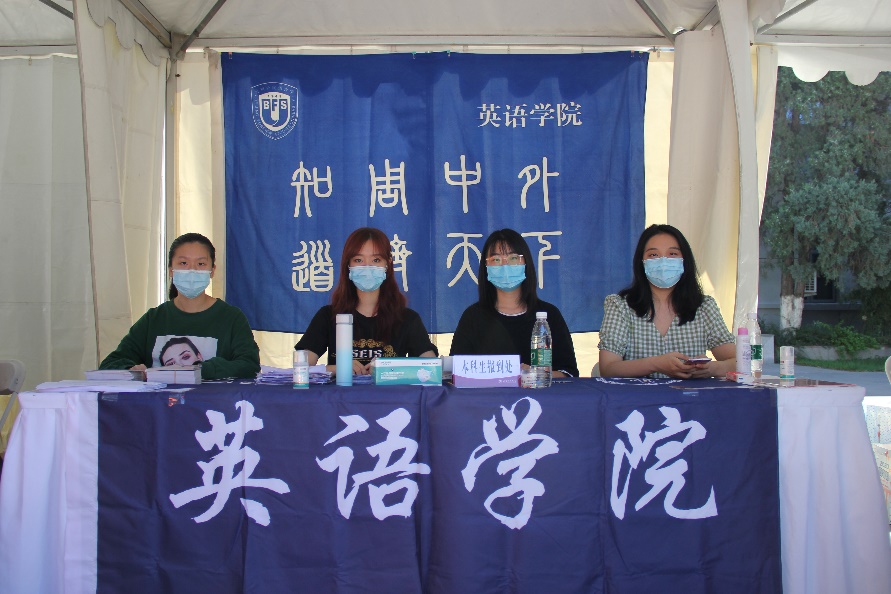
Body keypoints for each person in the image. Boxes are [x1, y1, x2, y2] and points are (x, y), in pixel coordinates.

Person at [99, 233, 261, 380]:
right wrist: (130, 370)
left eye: (201, 263)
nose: (192, 270)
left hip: (212, 402)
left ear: (212, 271)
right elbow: (110, 363)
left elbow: (249, 365)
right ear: (171, 270)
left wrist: (202, 370)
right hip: (160, 403)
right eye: (183, 263)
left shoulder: (231, 318)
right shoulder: (154, 319)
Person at [598, 224, 735, 379]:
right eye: (653, 255)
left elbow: (739, 362)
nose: (663, 261)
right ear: (641, 262)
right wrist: (656, 364)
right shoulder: (620, 305)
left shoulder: (704, 307)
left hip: (689, 395)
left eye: (672, 253)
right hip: (637, 395)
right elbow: (608, 369)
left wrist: (712, 369)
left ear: (684, 260)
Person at [295, 227, 437, 375]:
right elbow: (300, 370)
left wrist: (389, 368)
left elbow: (432, 368)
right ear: (348, 266)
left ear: (388, 265)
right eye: (358, 260)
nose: (367, 267)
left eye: (376, 260)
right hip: (341, 390)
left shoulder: (407, 319)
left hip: (392, 391)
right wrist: (336, 368)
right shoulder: (328, 316)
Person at [450, 229, 578, 378]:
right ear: (486, 267)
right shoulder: (473, 317)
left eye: (513, 258)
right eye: (496, 260)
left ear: (526, 263)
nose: (505, 265)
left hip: (539, 393)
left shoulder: (549, 315)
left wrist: (535, 374)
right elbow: (456, 373)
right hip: (488, 394)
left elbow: (569, 373)